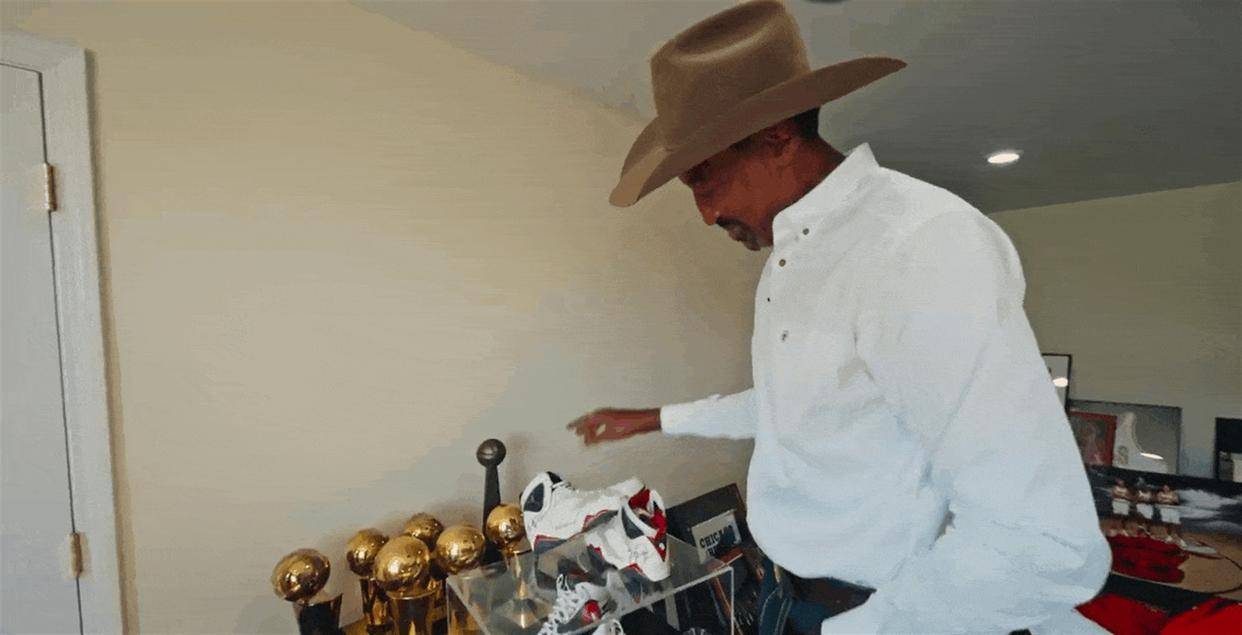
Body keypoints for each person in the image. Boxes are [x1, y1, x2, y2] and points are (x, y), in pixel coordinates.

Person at [568, 2, 1110, 633]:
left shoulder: (919, 245)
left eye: (704, 180)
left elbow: (1042, 541)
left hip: (884, 614)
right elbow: (801, 404)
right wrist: (655, 419)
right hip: (787, 596)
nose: (706, 214)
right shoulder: (789, 258)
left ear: (776, 134)